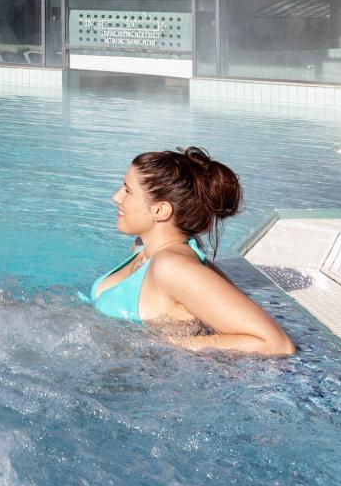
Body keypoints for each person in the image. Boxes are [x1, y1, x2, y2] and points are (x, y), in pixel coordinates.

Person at [84, 147, 295, 357]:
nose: (116, 197)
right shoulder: (142, 249)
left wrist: (165, 343)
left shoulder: (172, 268)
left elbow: (276, 344)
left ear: (160, 210)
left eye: (127, 191)